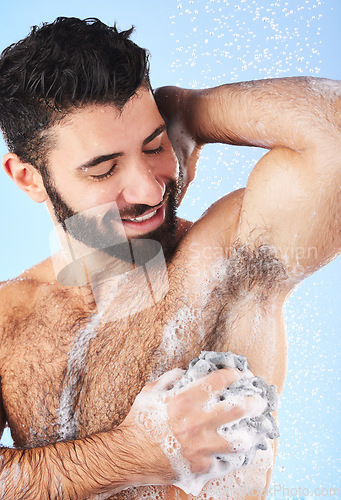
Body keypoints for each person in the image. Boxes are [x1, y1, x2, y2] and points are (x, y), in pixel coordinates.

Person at [0, 16, 340, 500]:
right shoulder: (8, 315)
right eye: (104, 168)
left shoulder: (227, 262)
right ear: (29, 178)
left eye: (154, 145)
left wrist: (191, 109)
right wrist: (136, 451)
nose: (151, 187)